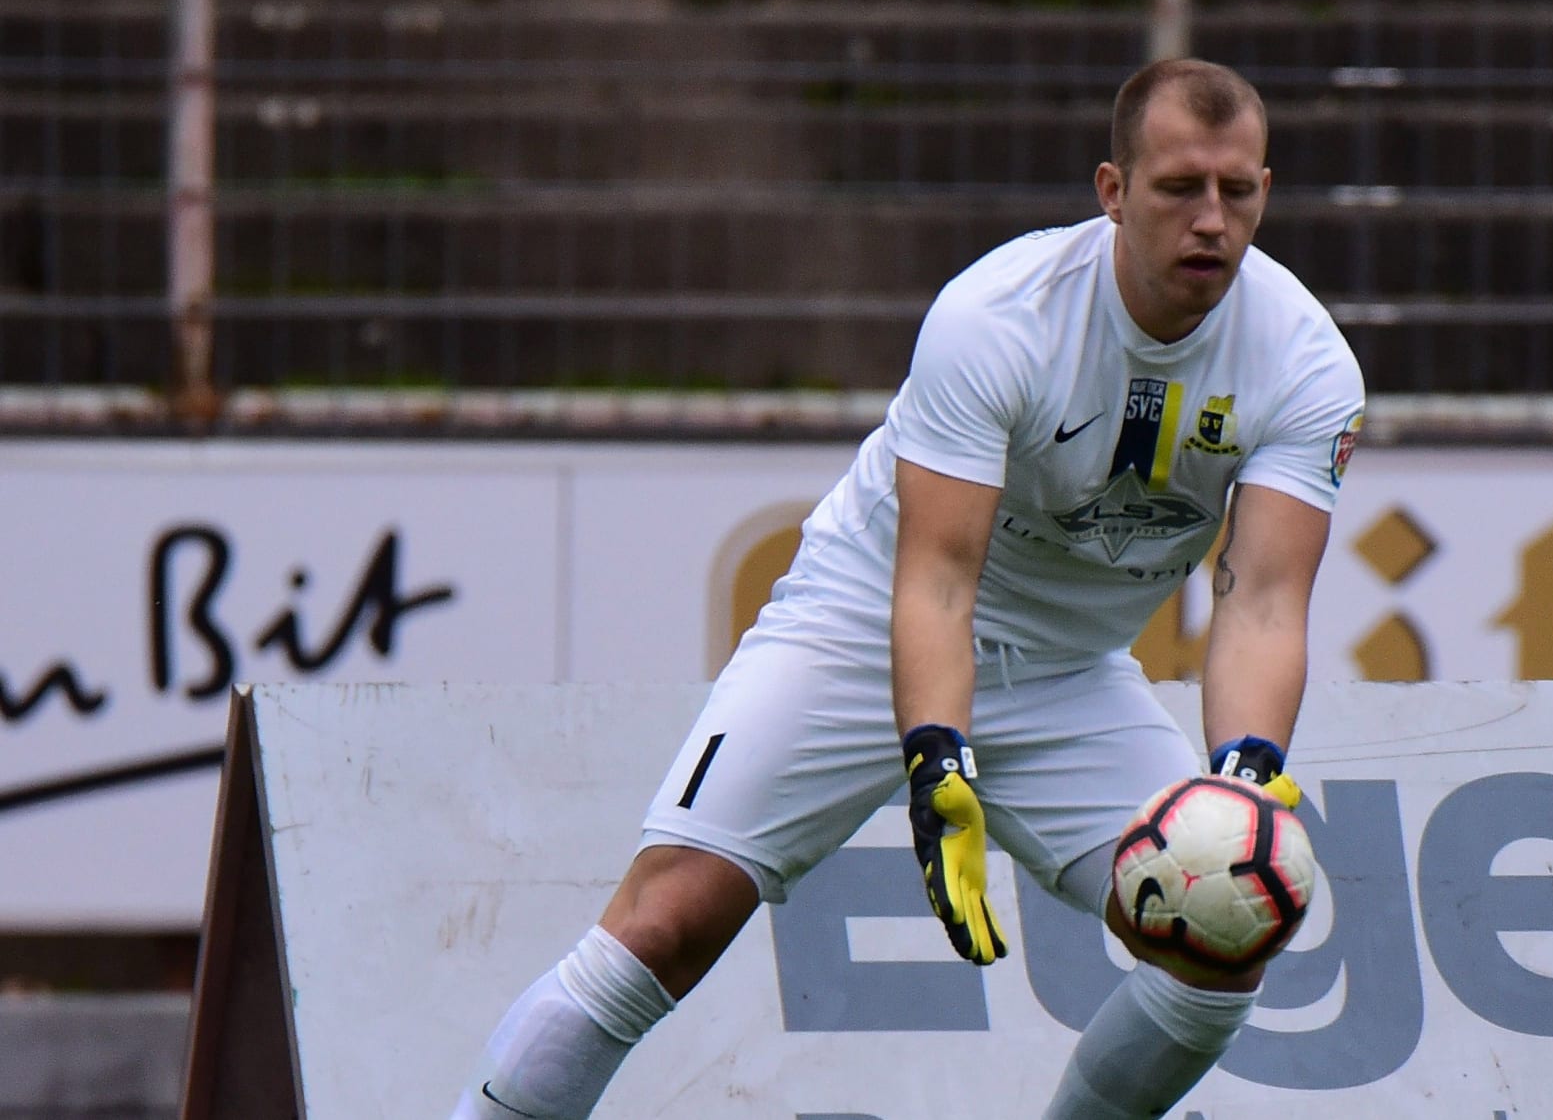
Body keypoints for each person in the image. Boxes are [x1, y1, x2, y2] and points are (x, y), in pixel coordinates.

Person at [453, 56, 1365, 1120]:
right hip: (859, 626)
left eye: (1237, 190)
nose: (1211, 220)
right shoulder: (997, 316)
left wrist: (1242, 776)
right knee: (667, 921)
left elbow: (1259, 603)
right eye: (1178, 189)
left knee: (1221, 938)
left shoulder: (1305, 363)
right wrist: (938, 757)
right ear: (1112, 191)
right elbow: (934, 580)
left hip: (1069, 674)